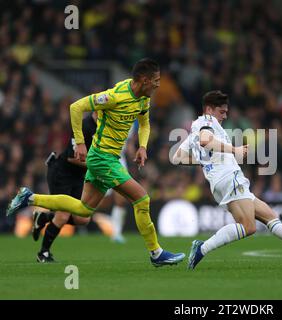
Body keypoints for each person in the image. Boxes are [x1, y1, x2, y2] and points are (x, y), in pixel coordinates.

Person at [7, 58, 185, 267]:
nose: (158, 84)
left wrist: (143, 146)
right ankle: (156, 253)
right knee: (142, 199)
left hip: (109, 158)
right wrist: (80, 143)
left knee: (83, 211)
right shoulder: (114, 97)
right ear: (144, 80)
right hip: (102, 158)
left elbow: (145, 124)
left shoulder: (143, 99)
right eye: (155, 80)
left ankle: (30, 198)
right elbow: (76, 107)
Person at [172, 90, 282, 270]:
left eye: (226, 111)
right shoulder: (207, 122)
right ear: (209, 109)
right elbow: (205, 140)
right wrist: (235, 150)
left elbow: (178, 158)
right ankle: (202, 248)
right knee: (248, 227)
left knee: (270, 217)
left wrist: (203, 160)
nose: (225, 115)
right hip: (229, 178)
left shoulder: (196, 127)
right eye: (222, 111)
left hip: (224, 181)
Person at [31, 112, 97, 262]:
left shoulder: (103, 128)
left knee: (83, 218)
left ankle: (44, 217)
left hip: (79, 176)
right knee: (63, 214)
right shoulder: (84, 125)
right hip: (62, 173)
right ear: (98, 109)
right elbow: (71, 157)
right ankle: (43, 253)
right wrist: (97, 166)